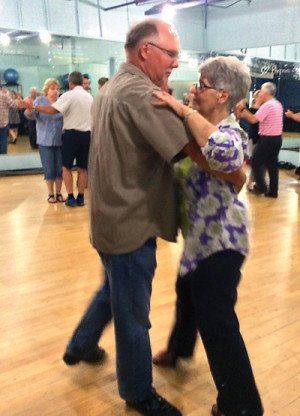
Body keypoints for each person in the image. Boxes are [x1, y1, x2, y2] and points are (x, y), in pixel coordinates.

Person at [62, 19, 245, 416]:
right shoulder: (144, 94)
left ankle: (81, 343)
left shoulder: (113, 86)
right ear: (146, 51)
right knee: (133, 314)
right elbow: (197, 154)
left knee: (113, 289)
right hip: (131, 220)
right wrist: (235, 174)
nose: (177, 65)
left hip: (108, 216)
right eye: (172, 55)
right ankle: (137, 391)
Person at [152, 56, 264, 416]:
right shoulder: (196, 128)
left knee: (218, 321)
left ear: (222, 96)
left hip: (223, 241)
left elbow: (224, 155)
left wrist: (183, 113)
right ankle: (179, 349)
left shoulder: (233, 132)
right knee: (186, 294)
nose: (193, 90)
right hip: (199, 239)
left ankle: (242, 405)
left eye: (201, 85)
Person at [32, 71, 93, 207]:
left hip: (71, 136)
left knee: (66, 167)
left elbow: (52, 111)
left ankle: (71, 197)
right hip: (86, 136)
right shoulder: (89, 97)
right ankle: (81, 197)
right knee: (83, 168)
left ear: (70, 83)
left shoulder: (68, 95)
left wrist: (34, 107)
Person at [237, 82, 283, 198]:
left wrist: (242, 109)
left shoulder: (268, 105)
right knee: (272, 165)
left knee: (256, 162)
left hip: (267, 140)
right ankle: (273, 191)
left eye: (261, 91)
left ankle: (262, 187)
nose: (260, 93)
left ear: (266, 93)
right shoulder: (277, 104)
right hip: (277, 139)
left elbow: (253, 119)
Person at [24, 78, 65, 203]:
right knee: (49, 168)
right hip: (44, 141)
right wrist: (30, 108)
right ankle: (51, 194)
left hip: (60, 140)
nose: (55, 91)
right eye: (53, 89)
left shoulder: (61, 101)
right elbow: (28, 115)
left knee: (59, 169)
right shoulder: (39, 101)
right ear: (46, 90)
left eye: (57, 89)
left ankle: (58, 193)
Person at [0, 86, 26, 154]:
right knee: (3, 140)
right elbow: (14, 105)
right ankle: (3, 158)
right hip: (3, 122)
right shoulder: (4, 96)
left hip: (5, 121)